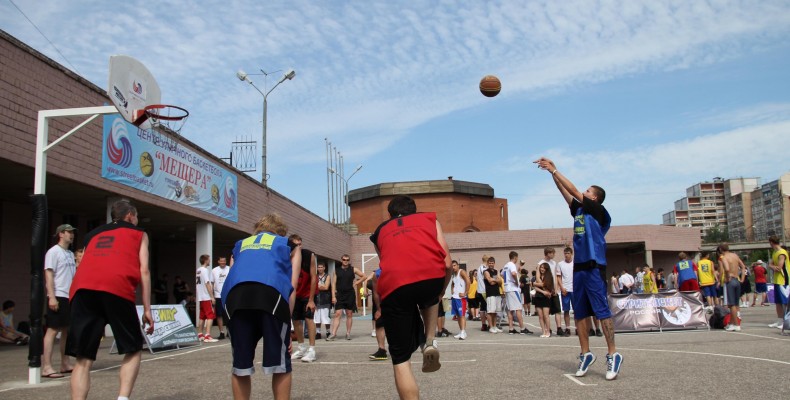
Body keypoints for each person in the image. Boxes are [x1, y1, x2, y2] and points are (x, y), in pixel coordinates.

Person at [535, 156, 622, 380]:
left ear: (595, 198)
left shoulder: (598, 211)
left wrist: (555, 170)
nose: (584, 192)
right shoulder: (580, 211)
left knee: (602, 313)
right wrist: (551, 175)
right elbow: (566, 193)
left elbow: (572, 189)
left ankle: (613, 354)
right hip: (579, 268)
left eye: (588, 191)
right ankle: (585, 353)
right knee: (580, 315)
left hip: (594, 267)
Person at [66, 199, 154, 400]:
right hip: (116, 286)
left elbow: (84, 262)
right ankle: (122, 398)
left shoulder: (92, 234)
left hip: (83, 288)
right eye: (136, 216)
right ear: (130, 215)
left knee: (83, 358)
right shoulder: (139, 233)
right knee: (132, 348)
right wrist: (147, 309)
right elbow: (144, 270)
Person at [369, 195, 452, 399]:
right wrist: (441, 290)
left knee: (400, 359)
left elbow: (388, 263)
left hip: (395, 285)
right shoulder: (430, 220)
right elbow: (448, 263)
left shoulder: (380, 231)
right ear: (414, 211)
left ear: (389, 215)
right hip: (430, 275)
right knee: (430, 291)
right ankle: (430, 341)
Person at [220, 213, 301, 400]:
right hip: (270, 295)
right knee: (280, 365)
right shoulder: (288, 244)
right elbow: (292, 286)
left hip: (236, 299)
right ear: (281, 230)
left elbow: (233, 275)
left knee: (241, 366)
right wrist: (287, 328)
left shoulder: (240, 245)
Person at [42, 223, 77, 379]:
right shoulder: (53, 252)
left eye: (72, 232)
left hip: (69, 296)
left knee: (67, 330)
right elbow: (49, 275)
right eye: (69, 232)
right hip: (58, 295)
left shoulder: (70, 254)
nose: (72, 235)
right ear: (61, 234)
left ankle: (65, 363)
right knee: (52, 330)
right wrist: (52, 296)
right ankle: (47, 366)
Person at [288, 234, 318, 363]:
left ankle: (312, 350)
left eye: (300, 244)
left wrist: (311, 299)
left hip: (307, 294)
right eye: (296, 245)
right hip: (295, 293)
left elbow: (313, 277)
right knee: (296, 320)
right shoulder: (287, 255)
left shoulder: (309, 255)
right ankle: (301, 348)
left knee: (309, 318)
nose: (299, 246)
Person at [328, 254, 365, 341]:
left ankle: (348, 333)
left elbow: (364, 276)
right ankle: (333, 334)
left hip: (350, 294)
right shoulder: (336, 270)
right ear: (341, 260)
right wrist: (333, 296)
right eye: (344, 259)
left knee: (349, 314)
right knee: (337, 314)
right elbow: (333, 284)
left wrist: (356, 283)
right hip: (340, 294)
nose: (346, 261)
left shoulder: (353, 269)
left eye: (347, 260)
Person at [718, 243, 745, 332]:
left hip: (730, 280)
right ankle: (732, 323)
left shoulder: (724, 257)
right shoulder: (735, 255)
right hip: (737, 280)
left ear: (721, 249)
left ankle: (736, 324)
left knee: (731, 304)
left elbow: (726, 268)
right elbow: (743, 266)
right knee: (736, 303)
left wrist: (727, 277)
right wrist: (742, 278)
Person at [768, 236, 789, 329]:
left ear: (771, 242)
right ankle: (780, 320)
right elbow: (771, 265)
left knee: (785, 302)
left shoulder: (782, 253)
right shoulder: (775, 252)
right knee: (778, 302)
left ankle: (786, 321)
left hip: (784, 280)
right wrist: (772, 266)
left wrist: (772, 266)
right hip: (777, 280)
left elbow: (779, 267)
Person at [196, 254, 218, 343]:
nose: (210, 261)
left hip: (201, 296)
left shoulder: (198, 270)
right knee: (210, 316)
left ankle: (200, 334)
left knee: (202, 316)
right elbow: (207, 283)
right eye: (209, 259)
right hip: (206, 296)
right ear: (205, 260)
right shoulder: (205, 270)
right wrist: (212, 296)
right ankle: (207, 335)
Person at [369, 268, 388, 360]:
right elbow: (376, 293)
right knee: (379, 323)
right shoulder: (377, 274)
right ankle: (382, 350)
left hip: (397, 301)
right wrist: (379, 309)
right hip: (382, 303)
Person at [450, 260, 471, 339]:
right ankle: (461, 331)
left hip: (461, 298)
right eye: (452, 266)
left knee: (462, 315)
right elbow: (452, 283)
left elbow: (468, 281)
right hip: (455, 297)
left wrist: (465, 293)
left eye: (455, 265)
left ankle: (463, 332)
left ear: (458, 265)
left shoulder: (461, 272)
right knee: (458, 316)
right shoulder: (453, 275)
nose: (453, 267)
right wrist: (452, 290)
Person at [558, 247, 576, 336]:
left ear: (571, 254)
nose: (566, 255)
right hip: (565, 289)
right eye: (565, 253)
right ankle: (568, 328)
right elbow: (558, 277)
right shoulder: (560, 264)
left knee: (577, 310)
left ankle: (577, 328)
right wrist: (562, 287)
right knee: (566, 310)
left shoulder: (575, 263)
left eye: (568, 253)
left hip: (574, 289)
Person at [533, 262, 553, 338]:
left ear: (546, 269)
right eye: (541, 267)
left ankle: (548, 331)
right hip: (538, 296)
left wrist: (535, 284)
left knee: (546, 315)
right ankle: (543, 331)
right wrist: (542, 291)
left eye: (543, 268)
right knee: (540, 316)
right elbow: (534, 286)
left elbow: (543, 285)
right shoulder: (537, 277)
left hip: (546, 298)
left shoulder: (549, 277)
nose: (542, 269)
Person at [483, 257, 503, 334]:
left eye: (492, 263)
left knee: (495, 311)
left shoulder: (496, 271)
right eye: (490, 263)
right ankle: (490, 327)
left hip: (497, 293)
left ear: (494, 263)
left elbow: (500, 281)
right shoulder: (486, 271)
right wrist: (496, 280)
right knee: (490, 311)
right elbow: (490, 281)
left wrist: (496, 280)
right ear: (488, 263)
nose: (491, 264)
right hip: (490, 293)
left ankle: (495, 326)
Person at [212, 257, 230, 339]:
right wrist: (211, 296)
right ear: (218, 261)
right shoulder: (214, 270)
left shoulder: (229, 269)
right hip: (218, 295)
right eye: (221, 261)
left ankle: (229, 331)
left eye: (224, 261)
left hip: (228, 295)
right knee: (219, 315)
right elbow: (211, 283)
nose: (223, 262)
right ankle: (221, 332)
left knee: (228, 314)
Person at [314, 263, 332, 338]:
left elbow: (326, 287)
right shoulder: (315, 276)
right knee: (317, 318)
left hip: (325, 299)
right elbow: (312, 286)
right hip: (316, 299)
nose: (320, 268)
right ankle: (318, 333)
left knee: (326, 317)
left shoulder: (327, 276)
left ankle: (328, 332)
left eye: (321, 267)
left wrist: (317, 286)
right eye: (319, 267)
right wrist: (320, 286)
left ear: (324, 268)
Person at [475, 255, 490, 331]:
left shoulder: (479, 268)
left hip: (480, 290)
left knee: (482, 308)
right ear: (487, 261)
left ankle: (483, 324)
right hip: (484, 290)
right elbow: (487, 279)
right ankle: (489, 324)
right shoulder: (484, 268)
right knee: (488, 308)